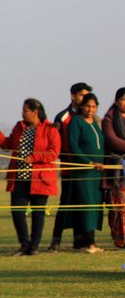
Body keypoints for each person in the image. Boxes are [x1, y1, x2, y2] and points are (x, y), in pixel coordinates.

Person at [0, 99, 60, 256]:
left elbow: (54, 153)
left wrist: (34, 157)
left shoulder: (50, 129)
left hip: (40, 179)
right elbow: (8, 145)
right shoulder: (19, 127)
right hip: (19, 178)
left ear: (35, 112)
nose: (22, 113)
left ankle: (34, 247)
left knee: (37, 214)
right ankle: (24, 244)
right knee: (17, 211)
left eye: (25, 110)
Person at [48, 82, 93, 251]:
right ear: (73, 96)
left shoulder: (88, 117)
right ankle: (56, 240)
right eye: (82, 95)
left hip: (85, 169)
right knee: (66, 203)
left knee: (82, 203)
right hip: (69, 168)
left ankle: (79, 240)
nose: (84, 99)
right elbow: (56, 143)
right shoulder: (63, 117)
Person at [65, 93, 105, 253]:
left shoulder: (95, 122)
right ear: (82, 106)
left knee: (95, 206)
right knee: (87, 205)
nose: (90, 110)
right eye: (87, 106)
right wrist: (88, 162)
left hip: (97, 173)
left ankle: (87, 242)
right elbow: (74, 146)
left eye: (94, 107)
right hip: (84, 172)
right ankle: (89, 243)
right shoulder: (76, 121)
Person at [102, 87, 125, 249]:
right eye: (123, 99)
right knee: (118, 206)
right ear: (116, 101)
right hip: (115, 169)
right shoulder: (109, 118)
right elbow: (111, 140)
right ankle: (120, 238)